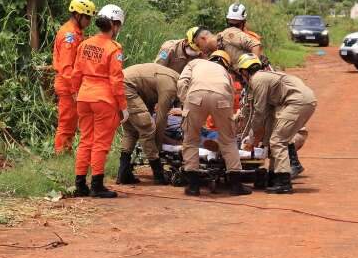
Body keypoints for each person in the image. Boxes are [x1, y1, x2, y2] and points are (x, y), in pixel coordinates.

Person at [237, 53, 316, 194]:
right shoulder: (266, 77)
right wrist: (263, 140)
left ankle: (284, 182)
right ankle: (274, 177)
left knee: (278, 141)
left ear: (244, 71)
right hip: (302, 100)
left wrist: (251, 137)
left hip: (297, 102)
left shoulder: (257, 80)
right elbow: (268, 115)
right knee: (274, 140)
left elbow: (259, 112)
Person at [71, 4, 128, 198]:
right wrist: (123, 106)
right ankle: (96, 185)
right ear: (116, 25)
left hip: (84, 96)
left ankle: (80, 184)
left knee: (86, 140)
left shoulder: (85, 44)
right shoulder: (114, 48)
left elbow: (76, 72)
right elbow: (116, 80)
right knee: (101, 143)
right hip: (104, 99)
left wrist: (76, 92)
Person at [177, 50, 251, 197]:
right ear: (226, 63)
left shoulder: (194, 63)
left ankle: (193, 186)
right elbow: (230, 95)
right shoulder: (225, 72)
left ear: (210, 58)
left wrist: (186, 103)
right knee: (228, 140)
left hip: (195, 95)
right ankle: (236, 185)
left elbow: (182, 82)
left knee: (191, 140)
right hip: (221, 97)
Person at [118, 63, 179, 185]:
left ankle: (123, 173)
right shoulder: (171, 87)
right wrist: (158, 147)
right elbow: (161, 119)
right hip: (126, 86)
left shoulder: (173, 77)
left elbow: (149, 101)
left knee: (131, 131)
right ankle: (158, 174)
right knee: (147, 128)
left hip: (121, 85)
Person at [52, 0, 96, 153]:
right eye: (87, 17)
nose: (89, 21)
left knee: (71, 122)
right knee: (66, 122)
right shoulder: (69, 36)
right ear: (78, 15)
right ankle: (61, 153)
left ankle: (66, 150)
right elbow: (66, 68)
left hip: (72, 84)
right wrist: (74, 90)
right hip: (67, 85)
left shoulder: (76, 33)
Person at [217, 3, 263, 68]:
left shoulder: (222, 34)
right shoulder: (249, 36)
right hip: (242, 71)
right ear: (243, 22)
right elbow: (256, 45)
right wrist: (254, 68)